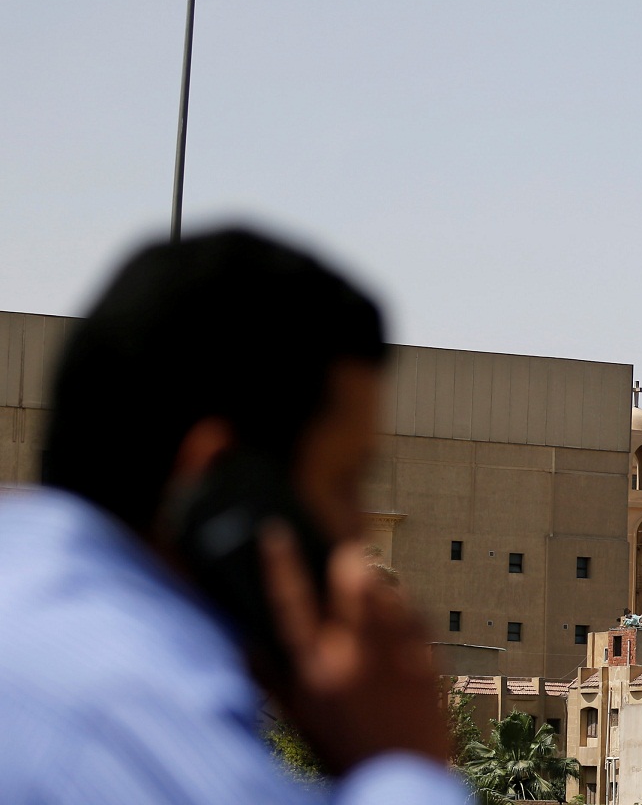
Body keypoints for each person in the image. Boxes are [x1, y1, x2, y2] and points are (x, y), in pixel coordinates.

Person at [0, 228, 470, 802]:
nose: (356, 532)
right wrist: (404, 762)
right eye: (343, 483)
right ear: (222, 488)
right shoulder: (120, 713)